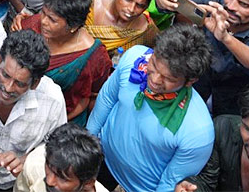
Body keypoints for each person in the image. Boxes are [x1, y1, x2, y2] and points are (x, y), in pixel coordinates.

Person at [86, 24, 215, 192]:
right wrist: (88, 143)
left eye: (168, 78)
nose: (154, 79)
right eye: (153, 65)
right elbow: (107, 98)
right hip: (100, 161)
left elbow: (169, 184)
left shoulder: (198, 132)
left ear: (190, 81)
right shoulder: (134, 57)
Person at [0, 30, 66, 191]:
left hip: (18, 183)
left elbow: (56, 145)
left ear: (35, 83)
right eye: (5, 75)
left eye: (20, 84)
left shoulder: (52, 100)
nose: (8, 88)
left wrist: (26, 160)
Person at [17, 0, 112, 124]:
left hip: (60, 117)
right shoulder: (32, 26)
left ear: (73, 26)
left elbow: (88, 97)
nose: (43, 21)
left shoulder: (95, 57)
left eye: (52, 20)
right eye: (43, 13)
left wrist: (56, 121)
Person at [14, 122, 107, 192]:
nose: (49, 181)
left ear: (88, 183)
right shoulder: (34, 163)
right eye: (49, 167)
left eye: (62, 178)